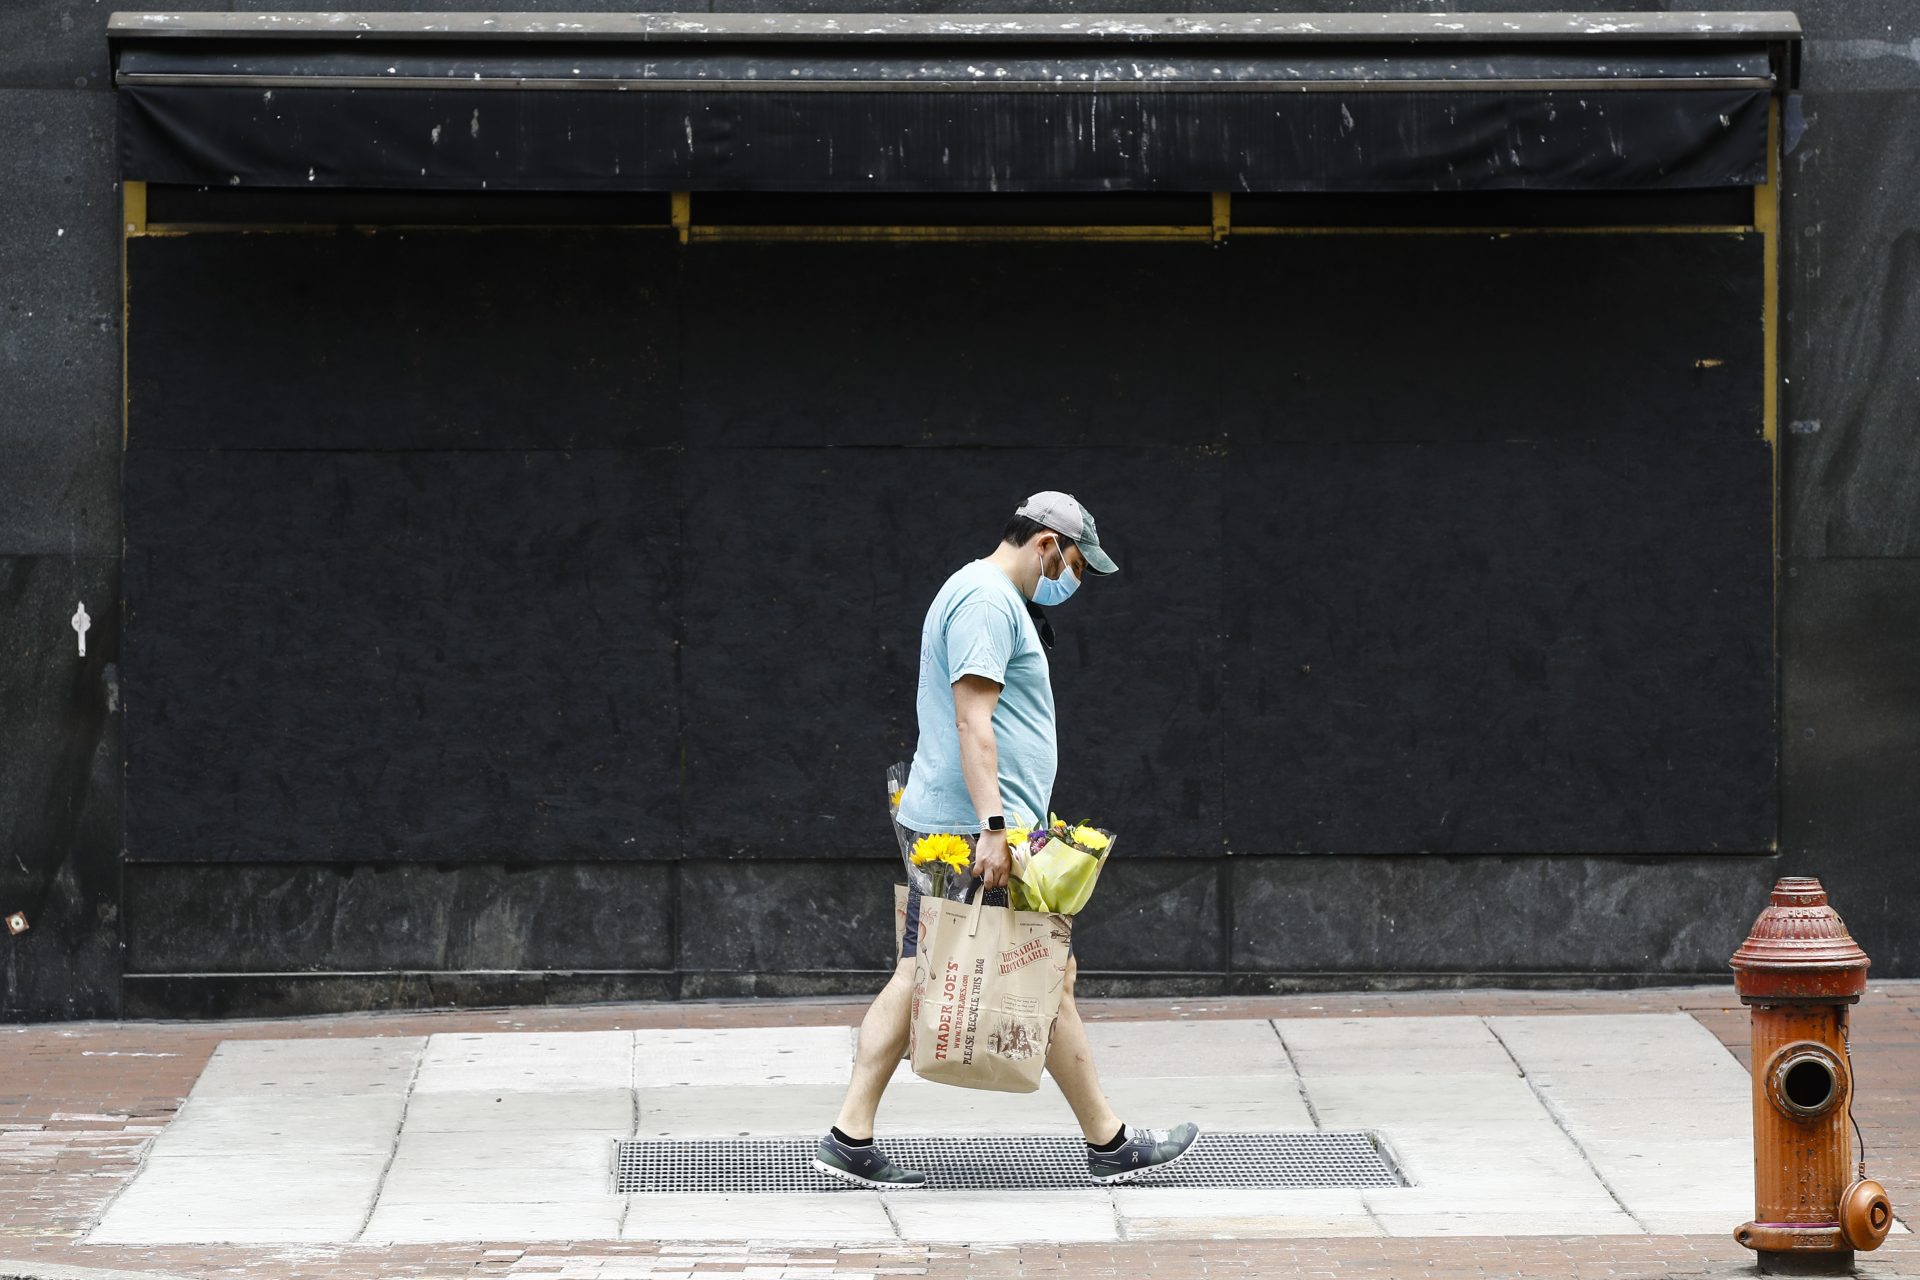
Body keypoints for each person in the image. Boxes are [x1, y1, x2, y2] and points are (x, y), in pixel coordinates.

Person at [813, 491, 1200, 1189]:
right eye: (1077, 564)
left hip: (977, 823)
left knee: (974, 970)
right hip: (973, 829)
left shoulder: (987, 596)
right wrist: (994, 828)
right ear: (1048, 544)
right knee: (990, 971)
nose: (1073, 582)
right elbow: (972, 722)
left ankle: (853, 1134)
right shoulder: (989, 602)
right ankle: (1107, 1144)